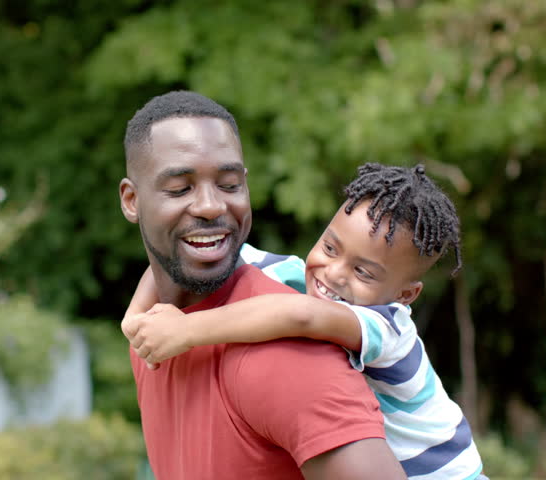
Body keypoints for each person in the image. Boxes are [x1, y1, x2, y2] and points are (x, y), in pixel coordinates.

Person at [122, 163, 486, 479]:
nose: (334, 273)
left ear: (406, 295)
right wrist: (135, 317)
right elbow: (187, 254)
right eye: (330, 248)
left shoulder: (390, 327)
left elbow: (301, 316)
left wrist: (186, 331)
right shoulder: (294, 275)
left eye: (363, 272)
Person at [118, 90, 406, 479]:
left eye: (229, 184)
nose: (211, 205)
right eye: (180, 188)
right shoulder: (153, 332)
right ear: (132, 200)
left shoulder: (287, 354)